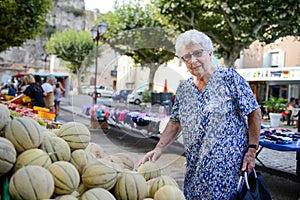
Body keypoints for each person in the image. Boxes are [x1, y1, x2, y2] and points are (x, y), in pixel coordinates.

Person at [138, 30, 261, 199]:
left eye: (197, 53)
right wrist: (158, 149)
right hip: (195, 170)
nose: (193, 60)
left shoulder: (230, 79)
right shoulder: (184, 88)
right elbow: (175, 122)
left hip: (227, 173)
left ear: (210, 53)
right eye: (187, 56)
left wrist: (252, 150)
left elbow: (254, 112)